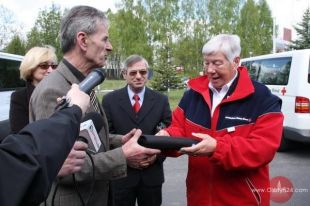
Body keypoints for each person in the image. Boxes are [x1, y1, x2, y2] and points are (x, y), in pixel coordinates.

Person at [29, 6, 160, 206]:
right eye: (105, 39)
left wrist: (118, 140)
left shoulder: (81, 83)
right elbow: (63, 167)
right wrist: (122, 156)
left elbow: (85, 139)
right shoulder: (53, 91)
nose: (110, 47)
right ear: (83, 40)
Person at [157, 34, 284, 206]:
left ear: (236, 61)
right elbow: (179, 129)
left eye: (217, 63)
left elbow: (263, 148)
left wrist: (217, 148)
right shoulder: (192, 96)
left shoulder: (262, 99)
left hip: (243, 200)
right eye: (206, 62)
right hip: (198, 198)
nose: (209, 69)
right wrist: (166, 137)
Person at [1, 84, 89, 206]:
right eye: (43, 65)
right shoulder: (46, 91)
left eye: (53, 65)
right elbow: (18, 165)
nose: (49, 69)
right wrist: (73, 110)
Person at [102, 55, 171, 206]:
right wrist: (125, 157)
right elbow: (105, 136)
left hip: (151, 175)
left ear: (147, 73)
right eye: (133, 73)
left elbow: (168, 133)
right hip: (121, 174)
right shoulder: (109, 100)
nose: (138, 76)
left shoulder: (161, 100)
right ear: (124, 74)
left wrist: (155, 157)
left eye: (143, 72)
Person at [9, 46, 58, 133]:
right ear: (31, 68)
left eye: (53, 66)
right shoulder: (19, 97)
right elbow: (20, 134)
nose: (51, 70)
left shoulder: (58, 92)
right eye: (44, 66)